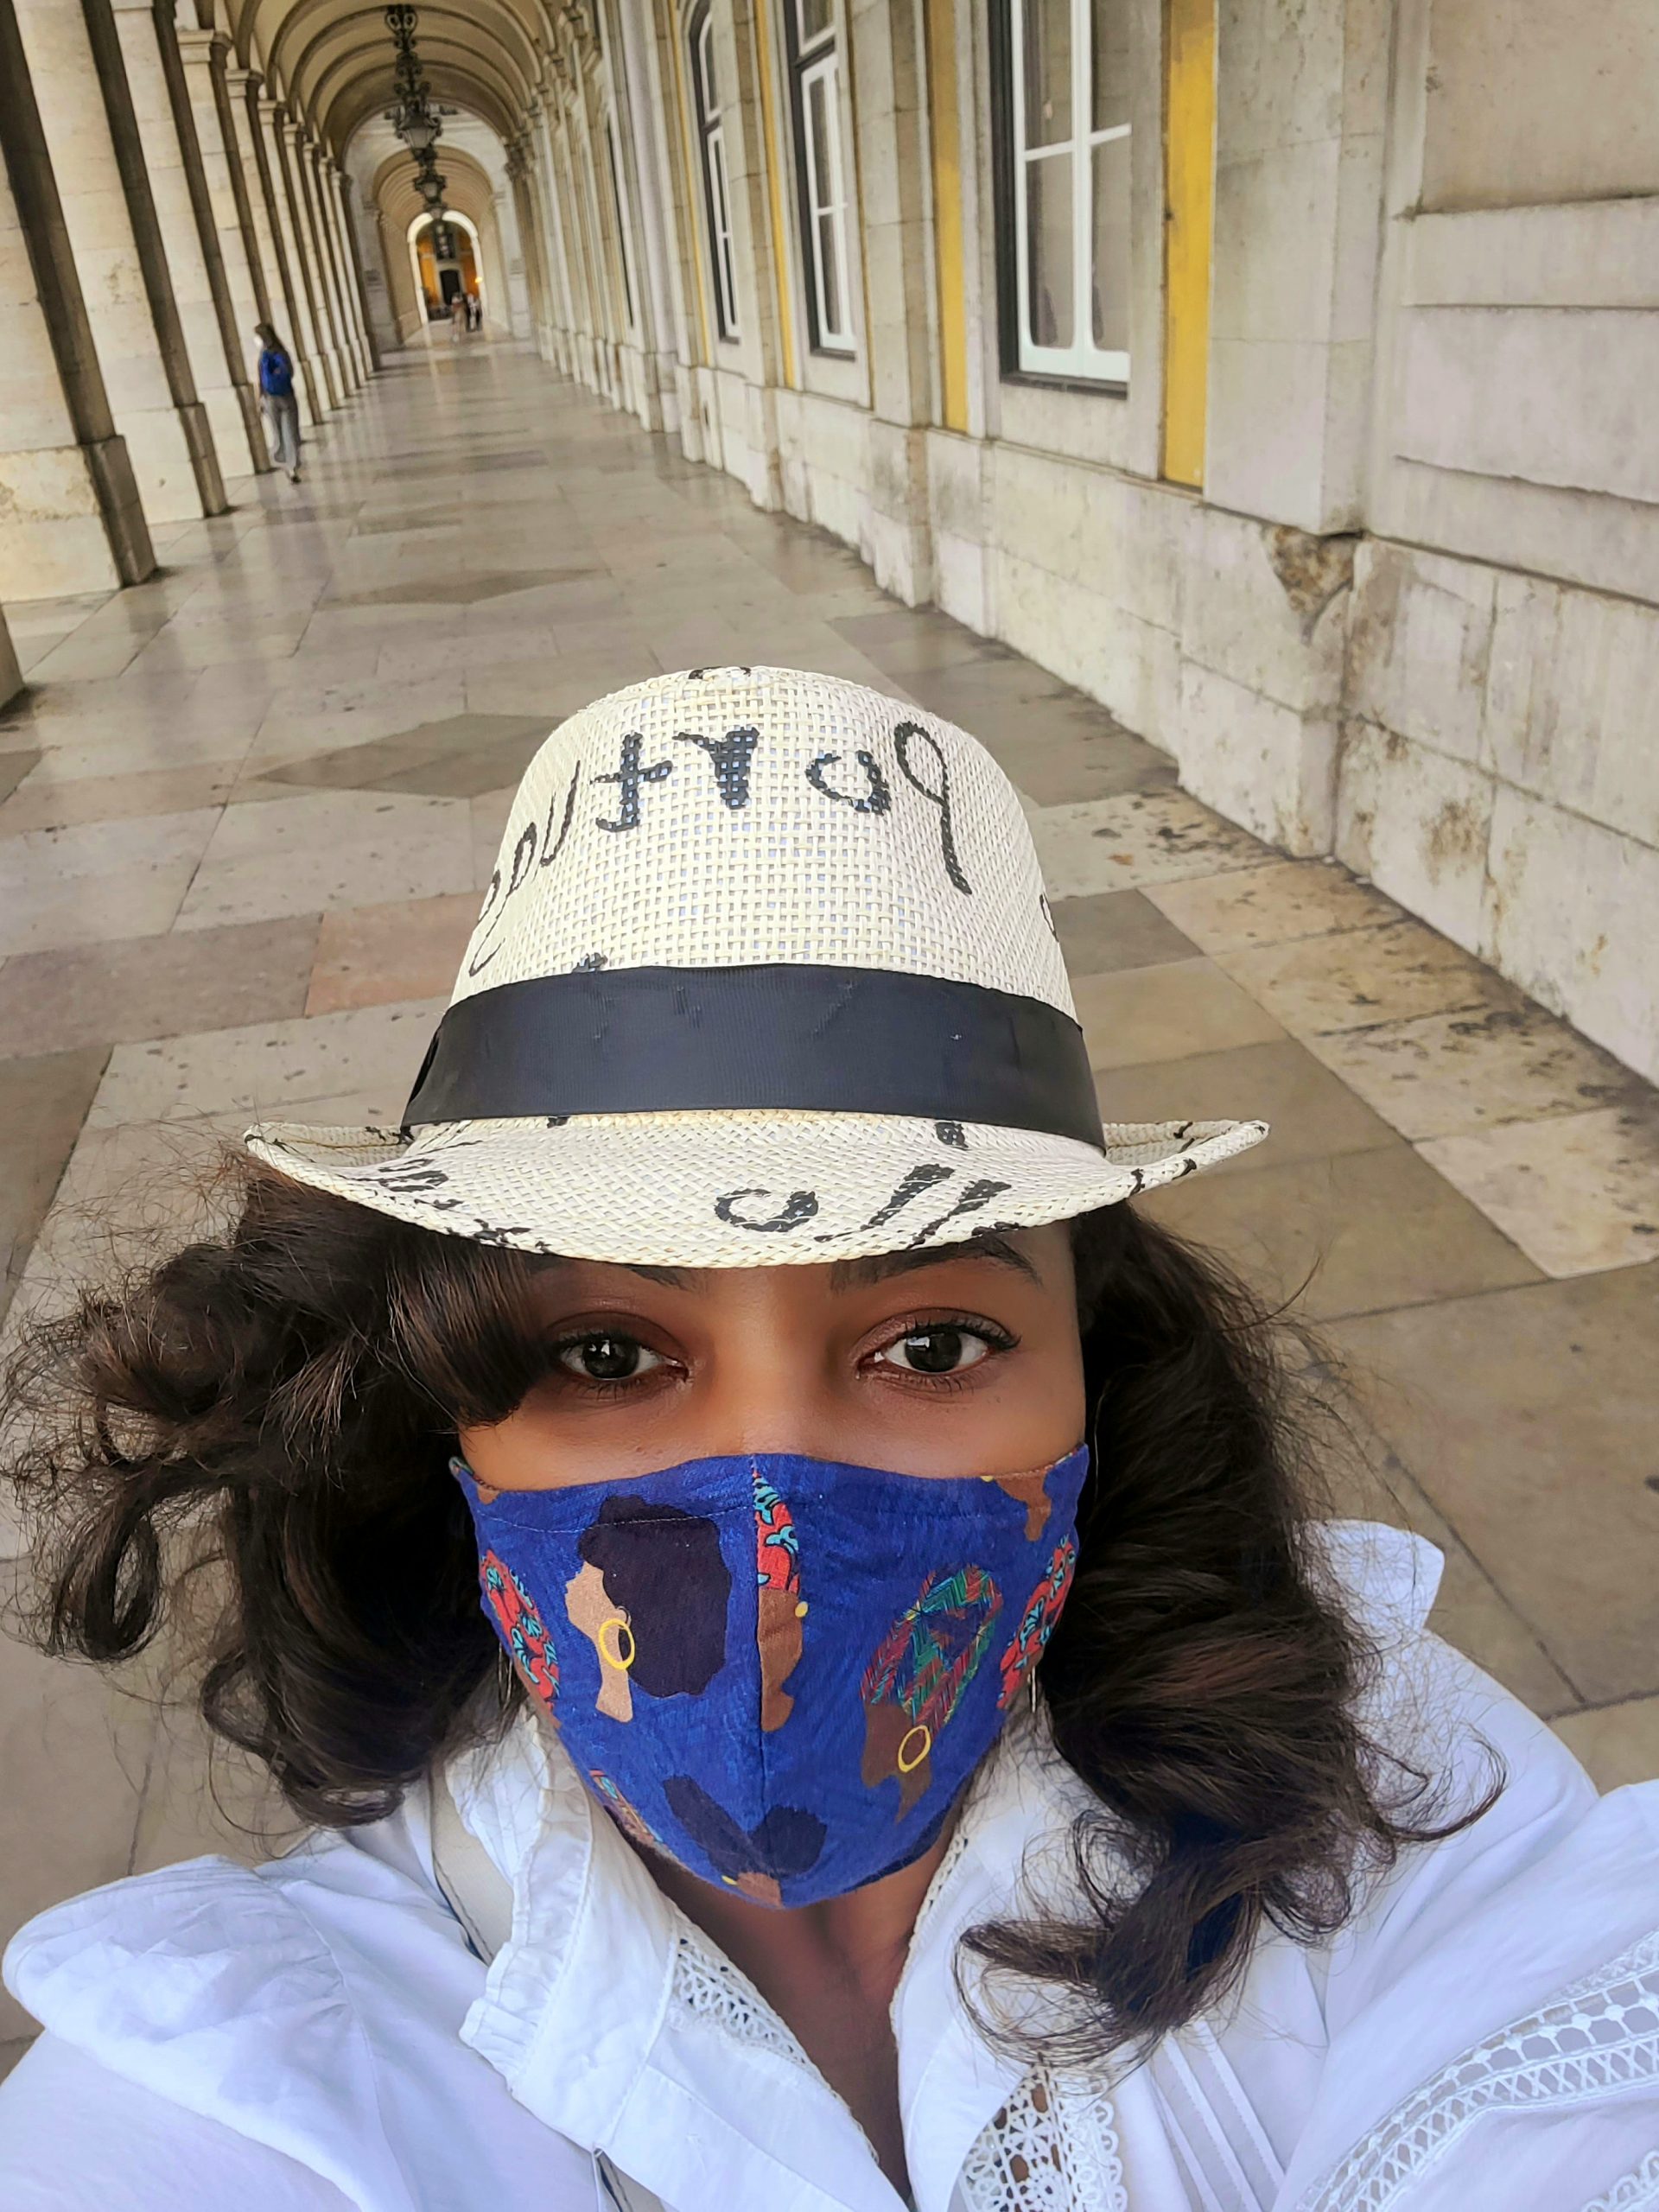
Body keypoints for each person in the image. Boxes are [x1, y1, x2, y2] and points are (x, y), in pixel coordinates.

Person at [0, 665, 1654, 2211]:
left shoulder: (1399, 1787)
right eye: (603, 1350)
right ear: (445, 1416)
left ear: (1099, 1373)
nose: (770, 1534)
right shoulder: (238, 2088)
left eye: (931, 1342)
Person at [254, 322, 301, 483]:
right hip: (287, 396)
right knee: (291, 433)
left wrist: (260, 398)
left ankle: (280, 456)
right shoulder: (282, 352)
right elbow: (291, 373)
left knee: (278, 432)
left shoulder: (263, 356)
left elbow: (260, 380)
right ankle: (292, 467)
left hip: (270, 399)